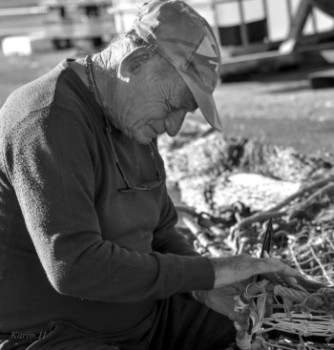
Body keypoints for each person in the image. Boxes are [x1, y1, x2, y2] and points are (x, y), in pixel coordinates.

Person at [0, 1, 307, 349]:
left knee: (270, 320)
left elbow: (161, 231)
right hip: (60, 334)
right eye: (175, 105)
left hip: (147, 319)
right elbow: (74, 266)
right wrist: (210, 270)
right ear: (135, 64)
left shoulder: (135, 121)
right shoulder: (47, 119)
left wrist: (204, 288)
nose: (175, 128)